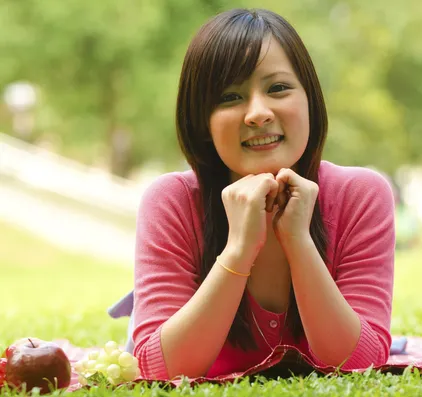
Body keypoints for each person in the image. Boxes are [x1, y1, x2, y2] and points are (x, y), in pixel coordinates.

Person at [126, 8, 396, 380]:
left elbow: (358, 363)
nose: (257, 113)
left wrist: (298, 240)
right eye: (230, 96)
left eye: (278, 88)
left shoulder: (361, 195)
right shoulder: (171, 201)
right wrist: (239, 248)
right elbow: (163, 369)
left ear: (310, 101)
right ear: (201, 121)